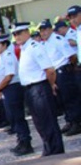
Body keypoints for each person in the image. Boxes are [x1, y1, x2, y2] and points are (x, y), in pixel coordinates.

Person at [14, 22, 64, 156]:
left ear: (27, 33)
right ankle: (48, 147)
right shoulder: (24, 49)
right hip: (30, 90)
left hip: (39, 87)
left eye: (19, 33)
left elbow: (50, 70)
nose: (16, 36)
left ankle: (55, 150)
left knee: (48, 120)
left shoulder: (35, 47)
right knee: (39, 122)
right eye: (14, 34)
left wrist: (51, 85)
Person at [0, 34, 33, 156]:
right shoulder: (1, 57)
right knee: (13, 116)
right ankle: (21, 140)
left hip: (12, 88)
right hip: (7, 89)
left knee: (17, 116)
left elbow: (9, 76)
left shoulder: (8, 56)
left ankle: (26, 142)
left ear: (4, 44)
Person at [38, 19, 81, 136]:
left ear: (51, 29)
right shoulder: (45, 43)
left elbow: (71, 56)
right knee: (62, 99)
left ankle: (77, 122)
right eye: (41, 31)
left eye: (45, 29)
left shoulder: (58, 40)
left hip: (63, 71)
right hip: (55, 73)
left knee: (70, 98)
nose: (43, 32)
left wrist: (70, 68)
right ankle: (70, 120)